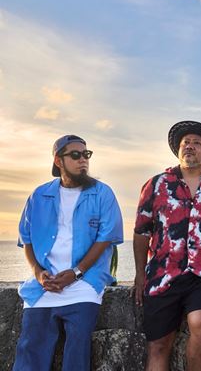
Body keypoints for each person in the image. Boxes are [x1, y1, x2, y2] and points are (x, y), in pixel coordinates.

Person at [133, 121, 201, 371]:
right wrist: (140, 274)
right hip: (163, 272)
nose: (190, 146)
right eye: (186, 143)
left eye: (197, 143)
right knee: (158, 344)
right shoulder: (157, 184)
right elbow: (141, 231)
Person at [13, 134, 123, 371]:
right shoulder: (39, 195)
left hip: (85, 284)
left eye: (86, 154)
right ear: (58, 160)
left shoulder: (102, 193)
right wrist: (38, 273)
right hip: (44, 286)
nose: (83, 160)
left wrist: (76, 272)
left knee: (77, 348)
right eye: (75, 155)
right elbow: (27, 238)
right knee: (30, 350)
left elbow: (105, 238)